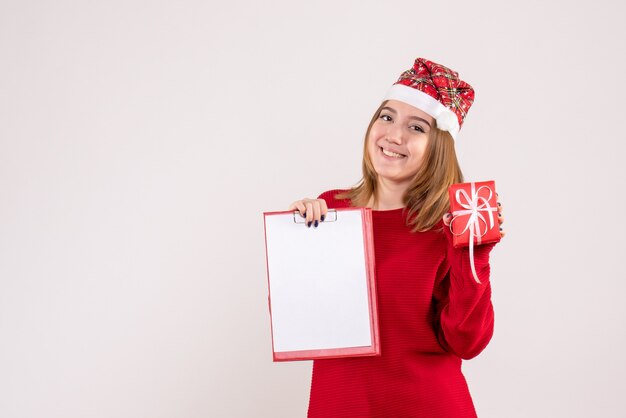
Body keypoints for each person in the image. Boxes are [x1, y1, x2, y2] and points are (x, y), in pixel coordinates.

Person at [288, 57, 506, 418]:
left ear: (439, 146)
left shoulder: (449, 224)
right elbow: (300, 323)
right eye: (386, 117)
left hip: (426, 406)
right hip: (341, 406)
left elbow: (467, 341)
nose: (394, 135)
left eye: (417, 127)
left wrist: (473, 255)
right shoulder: (329, 209)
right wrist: (296, 245)